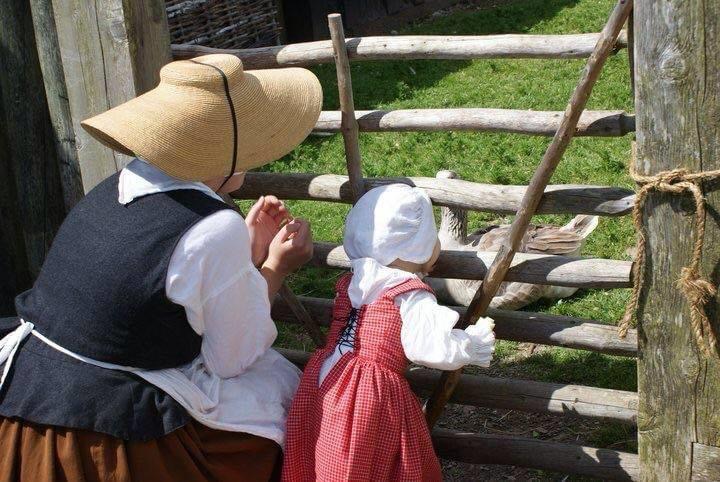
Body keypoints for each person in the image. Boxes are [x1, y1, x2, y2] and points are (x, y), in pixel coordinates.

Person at [0, 53, 321, 481]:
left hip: (26, 395)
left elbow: (161, 283)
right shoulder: (213, 226)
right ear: (220, 153)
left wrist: (242, 252)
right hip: (101, 434)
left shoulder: (117, 186)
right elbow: (233, 358)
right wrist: (275, 268)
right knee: (279, 399)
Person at [282, 184, 496, 482]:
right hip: (368, 395)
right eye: (432, 237)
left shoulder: (358, 279)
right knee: (364, 460)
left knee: (326, 453)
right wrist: (471, 344)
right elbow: (428, 347)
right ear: (415, 245)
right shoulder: (409, 294)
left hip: (325, 378)